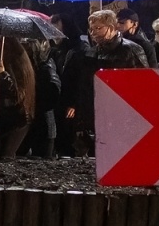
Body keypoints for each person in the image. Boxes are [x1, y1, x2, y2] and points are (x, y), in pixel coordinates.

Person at [60, 9, 146, 156]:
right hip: (95, 116)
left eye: (98, 28)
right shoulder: (91, 53)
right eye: (91, 29)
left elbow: (144, 83)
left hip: (123, 114)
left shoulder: (131, 50)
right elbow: (85, 88)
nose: (93, 33)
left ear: (111, 27)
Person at [0, 32, 36, 157]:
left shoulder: (16, 60)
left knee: (5, 154)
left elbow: (17, 93)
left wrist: (2, 74)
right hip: (1, 115)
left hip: (17, 117)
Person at [26, 38, 63, 159]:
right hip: (34, 122)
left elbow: (53, 93)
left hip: (43, 124)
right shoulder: (35, 67)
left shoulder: (45, 68)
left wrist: (36, 104)